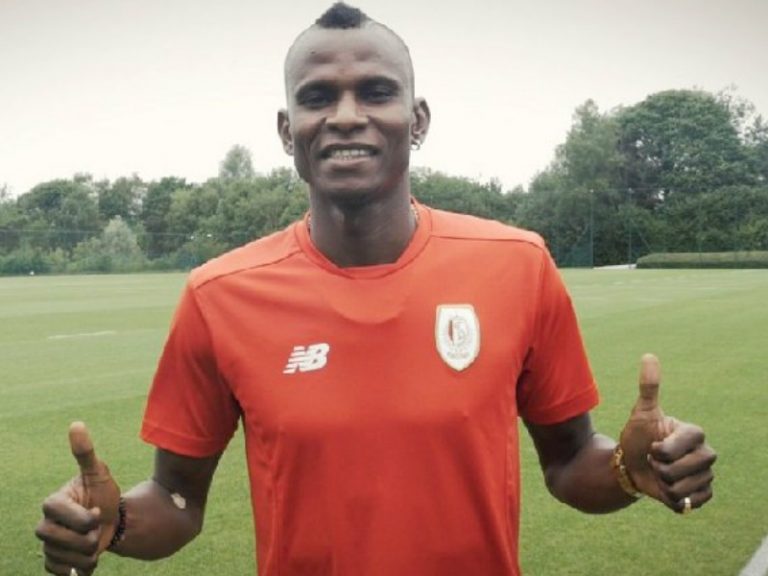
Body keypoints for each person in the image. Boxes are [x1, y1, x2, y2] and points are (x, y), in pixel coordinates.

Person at [35, 3, 716, 575]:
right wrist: (111, 524)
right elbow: (176, 501)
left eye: (376, 92)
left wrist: (631, 469)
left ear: (417, 120)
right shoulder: (220, 295)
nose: (346, 115)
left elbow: (569, 462)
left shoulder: (518, 264)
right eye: (317, 97)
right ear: (287, 131)